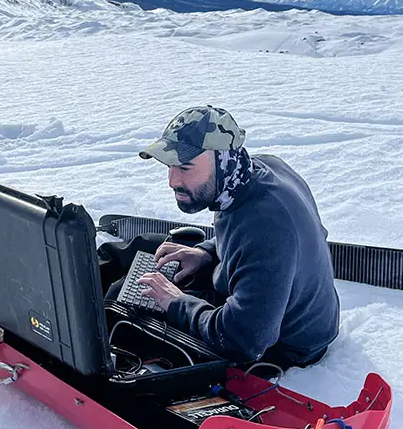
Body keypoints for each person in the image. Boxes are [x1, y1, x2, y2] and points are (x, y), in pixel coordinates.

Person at [130, 105, 340, 370]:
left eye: (184, 167)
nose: (172, 180)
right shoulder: (253, 174)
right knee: (141, 279)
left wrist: (177, 303)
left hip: (285, 346)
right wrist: (207, 253)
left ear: (221, 160)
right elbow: (243, 238)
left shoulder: (264, 226)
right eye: (170, 166)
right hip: (277, 313)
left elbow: (245, 341)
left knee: (135, 323)